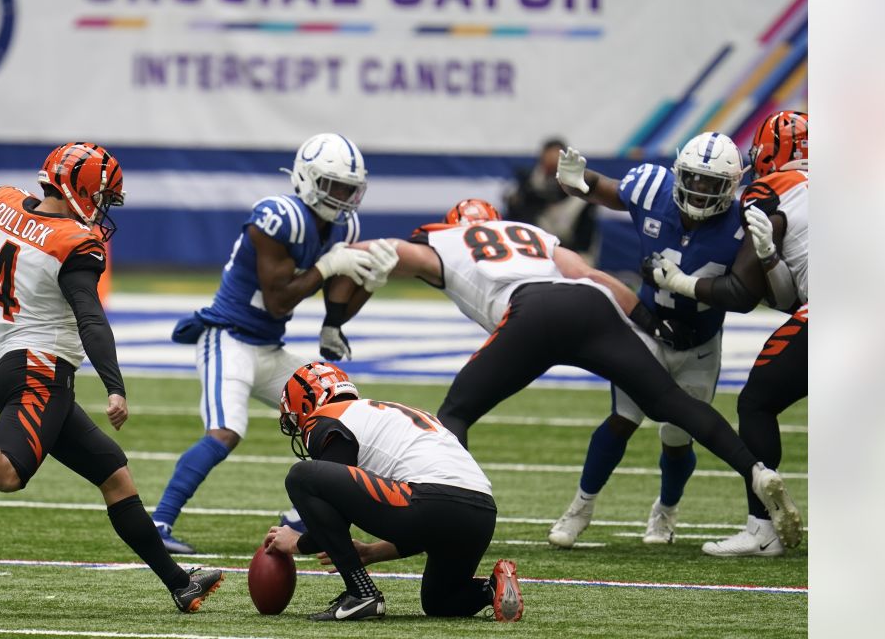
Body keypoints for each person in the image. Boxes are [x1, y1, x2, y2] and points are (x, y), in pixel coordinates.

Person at [0, 145, 223, 612]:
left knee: (115, 475)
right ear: (79, 189)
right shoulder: (72, 242)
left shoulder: (2, 204)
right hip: (39, 373)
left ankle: (179, 584)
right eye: (102, 196)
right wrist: (115, 386)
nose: (104, 206)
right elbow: (90, 318)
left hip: (23, 367)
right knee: (8, 473)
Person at [336, 199, 804, 550]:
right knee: (669, 402)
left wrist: (341, 260)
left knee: (454, 415)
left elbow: (395, 252)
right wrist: (650, 322)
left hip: (533, 312)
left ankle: (442, 528)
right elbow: (593, 275)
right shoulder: (528, 234)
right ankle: (756, 470)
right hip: (588, 304)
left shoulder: (446, 240)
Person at [152, 132, 395, 554]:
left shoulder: (342, 225)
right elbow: (281, 295)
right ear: (307, 178)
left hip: (267, 346)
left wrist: (355, 300)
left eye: (348, 188)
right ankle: (158, 522)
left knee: (344, 414)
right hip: (227, 337)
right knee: (226, 431)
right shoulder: (278, 216)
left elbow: (336, 285)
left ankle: (298, 518)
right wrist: (326, 264)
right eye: (333, 185)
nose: (341, 197)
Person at [546, 132, 752, 547]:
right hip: (648, 329)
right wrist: (572, 180)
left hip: (700, 342)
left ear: (732, 186)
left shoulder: (745, 222)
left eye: (712, 183)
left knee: (678, 438)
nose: (699, 189)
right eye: (693, 178)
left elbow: (746, 293)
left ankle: (666, 511)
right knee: (623, 419)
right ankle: (581, 506)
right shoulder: (652, 189)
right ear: (678, 173)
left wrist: (687, 284)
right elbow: (598, 188)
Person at [646, 111, 809, 556]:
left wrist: (677, 281)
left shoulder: (768, 190)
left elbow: (742, 293)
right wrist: (773, 260)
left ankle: (762, 532)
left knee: (756, 402)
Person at [264, 361, 523, 622]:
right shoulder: (388, 414)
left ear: (307, 405)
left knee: (301, 476)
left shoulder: (329, 417)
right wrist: (374, 551)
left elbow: (336, 511)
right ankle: (492, 587)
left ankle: (361, 594)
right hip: (481, 514)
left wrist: (297, 542)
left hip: (430, 501)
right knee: (441, 600)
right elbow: (432, 518)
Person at [504, 137, 597, 253]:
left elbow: (560, 195)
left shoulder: (578, 184)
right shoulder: (528, 180)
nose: (552, 161)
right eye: (549, 156)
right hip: (533, 241)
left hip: (569, 243)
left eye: (556, 157)